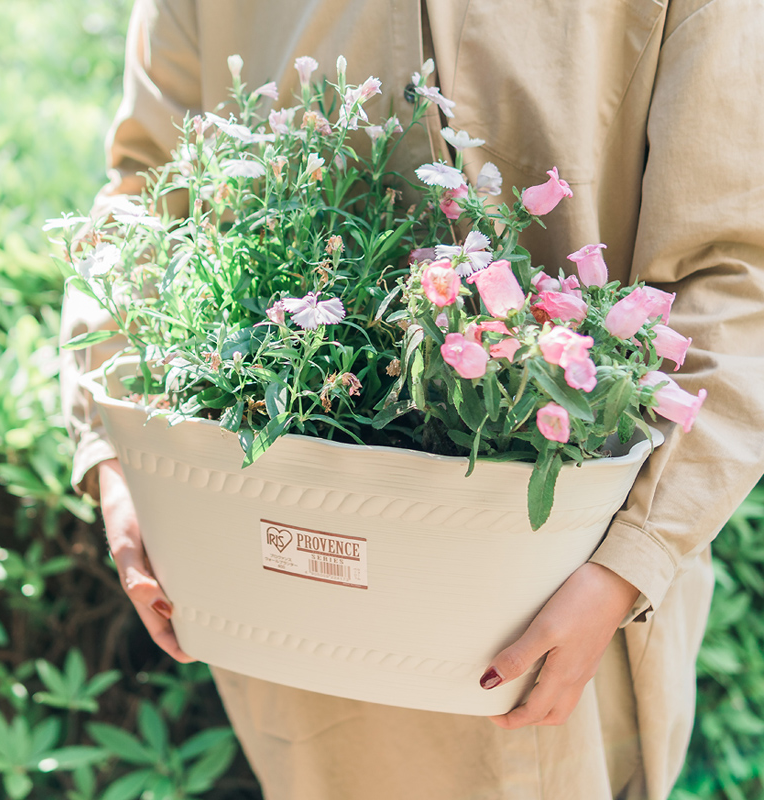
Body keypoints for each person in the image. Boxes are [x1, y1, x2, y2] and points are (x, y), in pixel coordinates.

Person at [61, 1, 764, 798]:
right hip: (281, 592)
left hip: (556, 600)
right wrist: (114, 447)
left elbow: (736, 271)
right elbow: (145, 194)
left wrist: (632, 556)